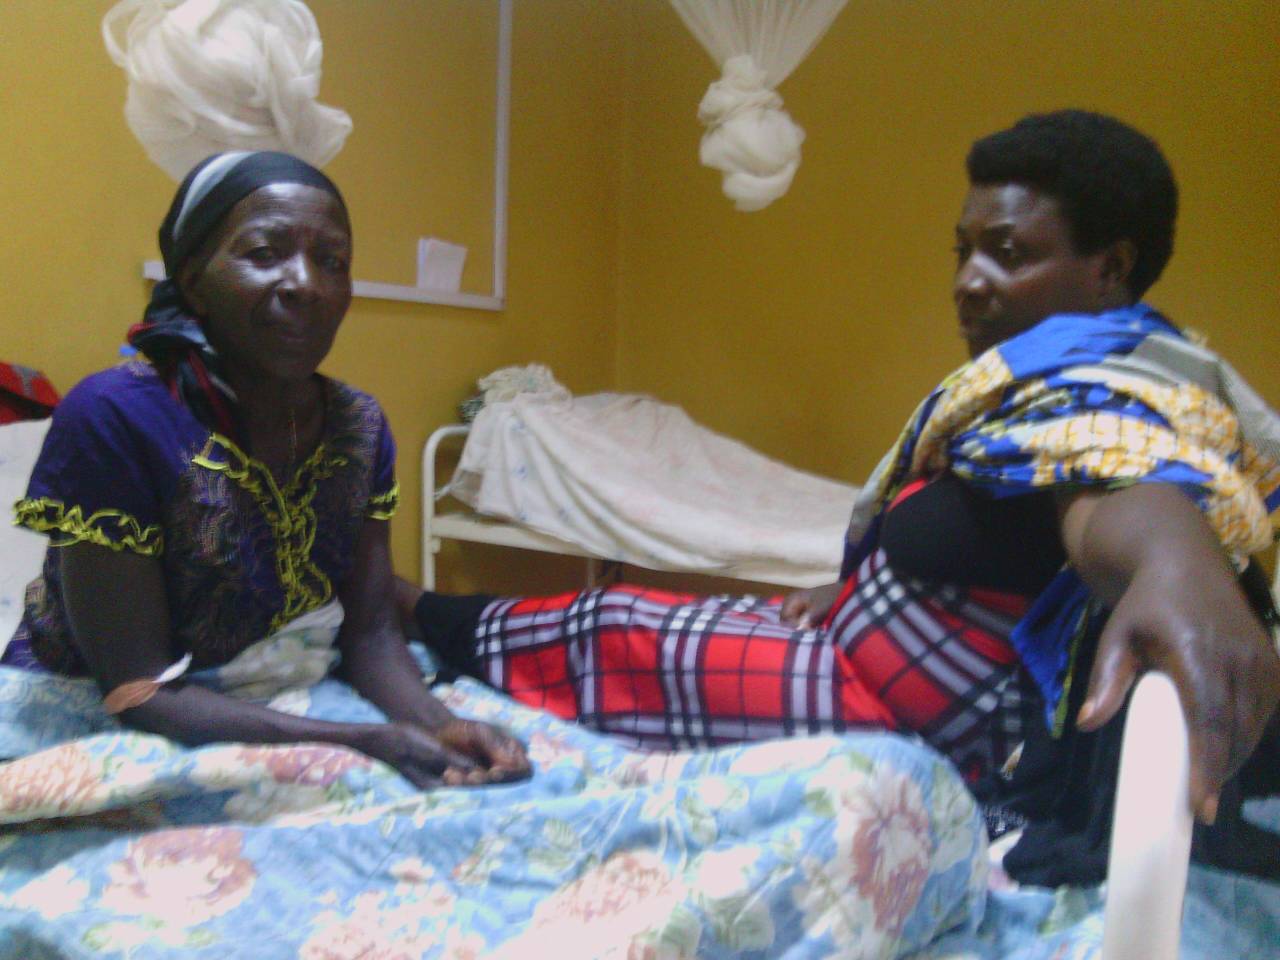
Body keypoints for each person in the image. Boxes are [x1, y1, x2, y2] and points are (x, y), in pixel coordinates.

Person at [401, 110, 1280, 879]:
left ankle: (416, 615)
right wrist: (853, 587)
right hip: (853, 649)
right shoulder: (1035, 384)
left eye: (1008, 254)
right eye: (964, 250)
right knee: (640, 617)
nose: (969, 280)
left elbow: (1125, 480)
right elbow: (985, 532)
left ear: (1110, 267)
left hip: (911, 725)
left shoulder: (1115, 393)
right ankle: (415, 618)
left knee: (616, 627)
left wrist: (1177, 566)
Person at [3, 151, 529, 790]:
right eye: (263, 253)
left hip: (273, 691)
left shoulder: (358, 427)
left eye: (332, 261)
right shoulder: (115, 416)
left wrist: (440, 724)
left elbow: (371, 638)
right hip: (103, 708)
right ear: (193, 280)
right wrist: (364, 741)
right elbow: (137, 688)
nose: (306, 283)